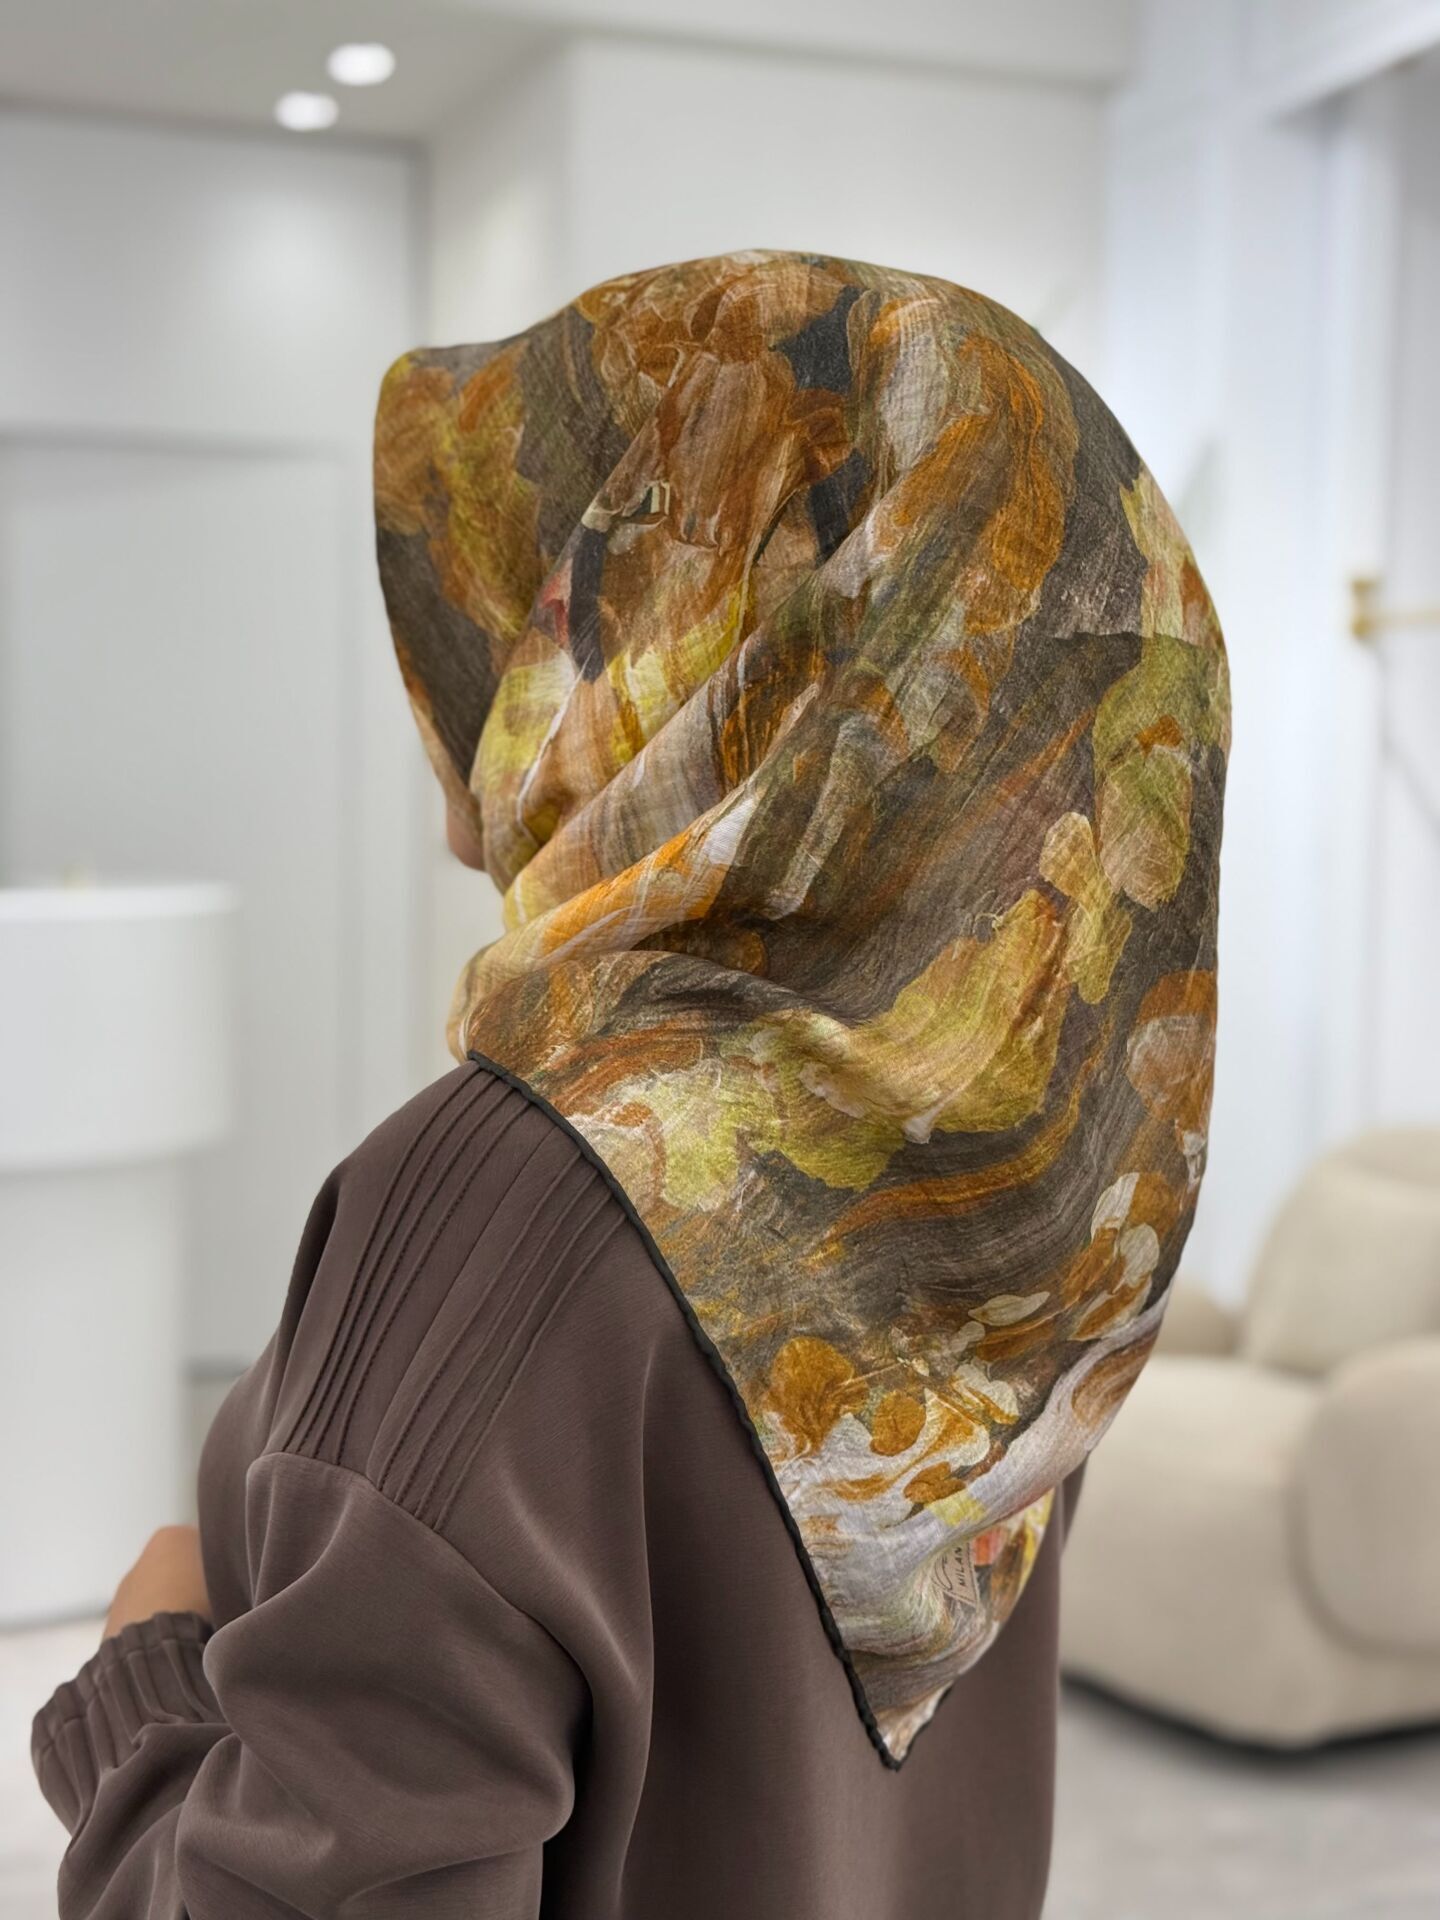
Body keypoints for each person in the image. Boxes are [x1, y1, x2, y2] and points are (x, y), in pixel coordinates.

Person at [31, 249, 1229, 1917]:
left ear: (709, 646)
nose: (463, 724)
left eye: (543, 612)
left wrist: (143, 1676)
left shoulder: (515, 1196)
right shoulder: (1032, 1182)